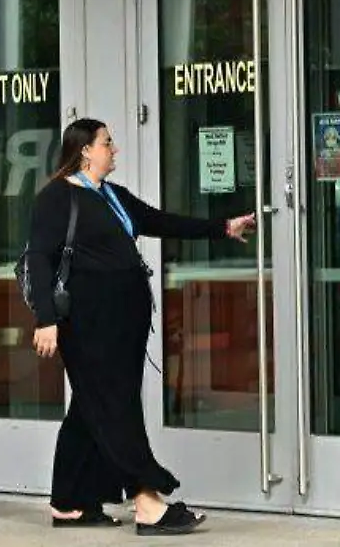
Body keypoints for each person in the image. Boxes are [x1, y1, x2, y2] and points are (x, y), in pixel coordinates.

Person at [26, 119, 256, 536]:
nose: (114, 149)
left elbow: (161, 221)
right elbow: (40, 259)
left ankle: (69, 502)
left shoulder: (111, 195)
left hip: (122, 323)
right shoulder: (57, 197)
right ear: (85, 151)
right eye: (107, 142)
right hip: (86, 323)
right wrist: (46, 319)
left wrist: (223, 227)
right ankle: (147, 501)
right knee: (117, 406)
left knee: (92, 406)